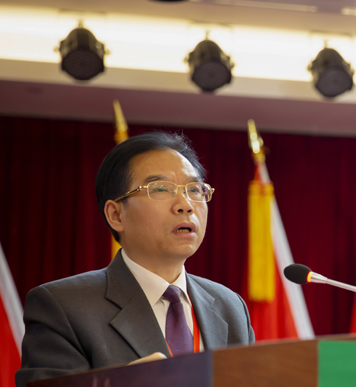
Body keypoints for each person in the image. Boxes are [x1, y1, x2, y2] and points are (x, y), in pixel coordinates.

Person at [16, 132, 254, 387]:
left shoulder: (230, 307)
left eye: (194, 189)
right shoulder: (64, 307)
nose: (185, 205)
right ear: (116, 215)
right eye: (160, 189)